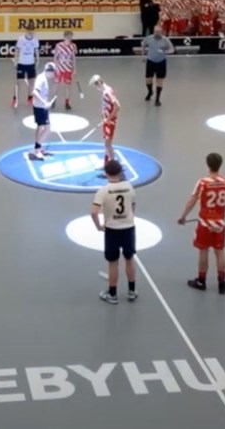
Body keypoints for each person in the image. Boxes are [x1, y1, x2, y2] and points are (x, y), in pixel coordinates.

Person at [178, 153, 225, 295]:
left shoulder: (203, 183)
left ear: (208, 165)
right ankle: (222, 283)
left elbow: (192, 201)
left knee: (203, 250)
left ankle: (201, 281)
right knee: (220, 252)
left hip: (205, 223)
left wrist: (183, 217)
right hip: (220, 224)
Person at [91, 159, 138, 305]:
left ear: (106, 173)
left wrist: (99, 226)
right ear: (120, 172)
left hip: (112, 229)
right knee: (129, 259)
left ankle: (112, 294)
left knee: (113, 262)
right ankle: (132, 291)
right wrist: (127, 218)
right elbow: (133, 206)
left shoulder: (103, 191)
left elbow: (94, 212)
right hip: (128, 228)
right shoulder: (129, 187)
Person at [89, 74, 120, 174]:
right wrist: (104, 118)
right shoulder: (105, 91)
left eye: (95, 86)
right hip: (106, 121)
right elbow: (106, 106)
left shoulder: (107, 92)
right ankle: (106, 164)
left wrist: (108, 119)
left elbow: (117, 106)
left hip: (110, 122)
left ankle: (113, 167)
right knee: (106, 143)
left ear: (98, 83)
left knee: (108, 144)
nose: (96, 88)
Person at [28, 63, 58, 161]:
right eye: (53, 73)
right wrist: (44, 102)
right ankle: (37, 150)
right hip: (40, 107)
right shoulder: (41, 79)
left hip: (41, 107)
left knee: (41, 127)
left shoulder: (43, 78)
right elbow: (35, 92)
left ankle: (38, 148)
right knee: (47, 128)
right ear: (50, 71)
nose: (54, 75)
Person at [141, 25, 175, 106]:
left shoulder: (165, 40)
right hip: (150, 62)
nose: (157, 33)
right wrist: (143, 55)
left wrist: (165, 52)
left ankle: (157, 99)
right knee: (148, 80)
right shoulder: (149, 38)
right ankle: (150, 91)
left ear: (161, 32)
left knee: (159, 81)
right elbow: (143, 44)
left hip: (161, 62)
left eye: (158, 32)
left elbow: (172, 49)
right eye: (155, 32)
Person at [12, 23, 39, 108]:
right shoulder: (21, 39)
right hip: (21, 63)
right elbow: (17, 50)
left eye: (32, 30)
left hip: (31, 63)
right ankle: (15, 99)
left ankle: (30, 98)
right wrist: (15, 61)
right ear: (26, 30)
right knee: (18, 82)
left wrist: (38, 60)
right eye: (29, 30)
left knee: (31, 82)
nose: (31, 32)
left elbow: (36, 50)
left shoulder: (35, 40)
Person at [52, 31, 77, 110]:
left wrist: (74, 69)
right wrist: (55, 67)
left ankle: (67, 103)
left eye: (71, 36)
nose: (70, 38)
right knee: (56, 85)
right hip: (59, 68)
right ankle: (53, 101)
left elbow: (73, 58)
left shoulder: (73, 46)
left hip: (68, 69)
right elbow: (55, 57)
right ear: (65, 36)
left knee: (67, 86)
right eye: (69, 36)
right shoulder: (59, 45)